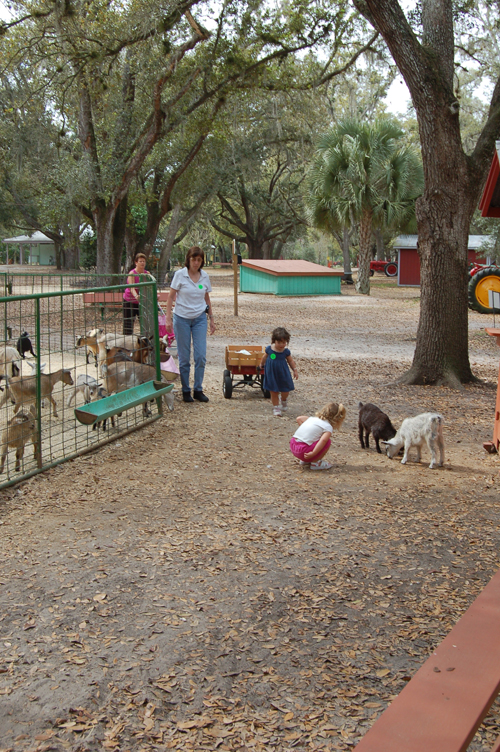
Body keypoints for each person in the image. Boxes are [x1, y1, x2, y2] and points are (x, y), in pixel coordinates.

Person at [165, 246, 216, 403]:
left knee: (200, 355)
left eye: (199, 260)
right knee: (184, 356)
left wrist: (211, 318)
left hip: (200, 318)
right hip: (182, 318)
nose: (196, 262)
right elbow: (170, 297)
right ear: (188, 260)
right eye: (193, 259)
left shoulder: (204, 277)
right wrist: (168, 318)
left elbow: (206, 298)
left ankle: (198, 389)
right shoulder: (180, 275)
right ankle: (186, 389)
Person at [290, 402, 346, 471]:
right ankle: (316, 463)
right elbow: (323, 441)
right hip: (303, 451)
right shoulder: (328, 427)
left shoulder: (312, 419)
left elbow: (299, 418)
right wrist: (313, 453)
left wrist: (308, 434)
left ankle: (305, 460)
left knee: (315, 439)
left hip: (293, 445)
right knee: (327, 442)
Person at [259, 327, 298, 417]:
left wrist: (295, 370)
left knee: (285, 390)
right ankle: (276, 407)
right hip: (272, 373)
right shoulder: (269, 349)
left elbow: (290, 361)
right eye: (279, 342)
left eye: (284, 343)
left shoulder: (285, 352)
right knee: (274, 391)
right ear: (274, 341)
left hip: (283, 373)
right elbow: (264, 357)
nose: (281, 345)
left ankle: (283, 400)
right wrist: (261, 364)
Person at [123, 253, 154, 335]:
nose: (142, 263)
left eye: (144, 261)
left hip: (142, 302)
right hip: (130, 301)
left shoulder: (147, 273)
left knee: (144, 323)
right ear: (136, 262)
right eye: (140, 261)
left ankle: (145, 340)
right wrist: (136, 296)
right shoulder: (132, 273)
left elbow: (150, 286)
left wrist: (154, 295)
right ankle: (127, 340)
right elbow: (131, 287)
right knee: (128, 323)